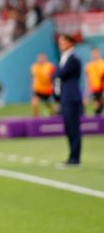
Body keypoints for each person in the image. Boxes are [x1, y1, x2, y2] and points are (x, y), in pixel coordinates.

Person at [55, 34, 82, 167]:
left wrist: (57, 71)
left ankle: (75, 158)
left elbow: (59, 74)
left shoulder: (73, 59)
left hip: (72, 98)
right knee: (68, 128)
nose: (60, 44)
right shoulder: (64, 58)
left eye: (63, 42)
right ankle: (72, 156)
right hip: (65, 97)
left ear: (70, 43)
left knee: (73, 128)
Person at [30, 53, 56, 117]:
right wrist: (32, 86)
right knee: (34, 103)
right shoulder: (34, 66)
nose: (41, 59)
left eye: (42, 58)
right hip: (38, 89)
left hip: (47, 90)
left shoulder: (50, 66)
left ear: (45, 58)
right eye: (39, 58)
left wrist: (49, 78)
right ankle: (36, 118)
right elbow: (32, 77)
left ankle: (53, 116)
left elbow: (54, 77)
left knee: (50, 106)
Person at [85, 47, 104, 116]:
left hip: (102, 89)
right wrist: (86, 95)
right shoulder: (89, 66)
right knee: (97, 109)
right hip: (95, 90)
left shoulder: (102, 63)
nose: (95, 55)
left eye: (96, 53)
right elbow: (88, 81)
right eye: (93, 53)